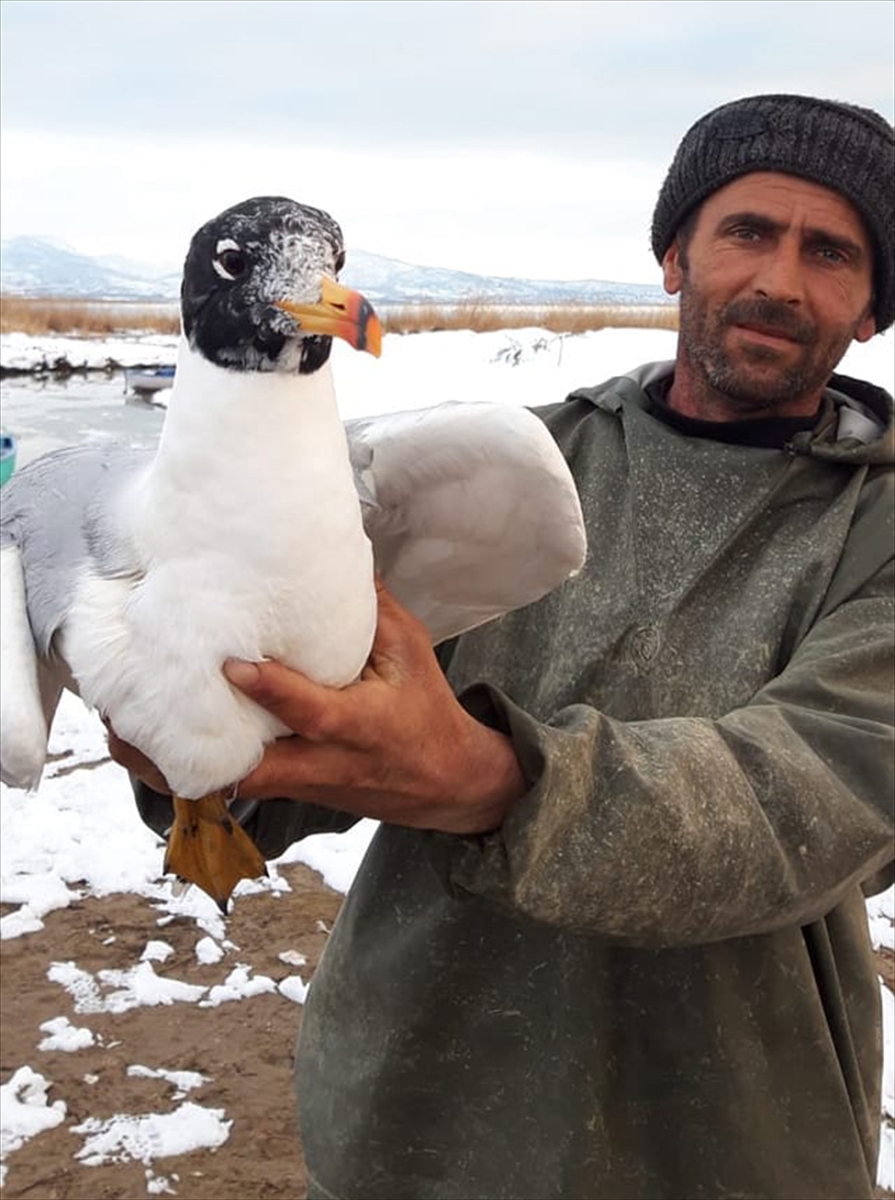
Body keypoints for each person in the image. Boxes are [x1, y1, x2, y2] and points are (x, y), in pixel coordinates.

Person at [117, 94, 895, 1200]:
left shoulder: (874, 530)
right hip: (417, 1113)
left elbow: (818, 803)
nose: (777, 278)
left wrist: (494, 781)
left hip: (731, 1140)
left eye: (830, 252)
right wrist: (203, 753)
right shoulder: (510, 470)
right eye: (745, 231)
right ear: (674, 254)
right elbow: (311, 716)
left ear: (871, 308)